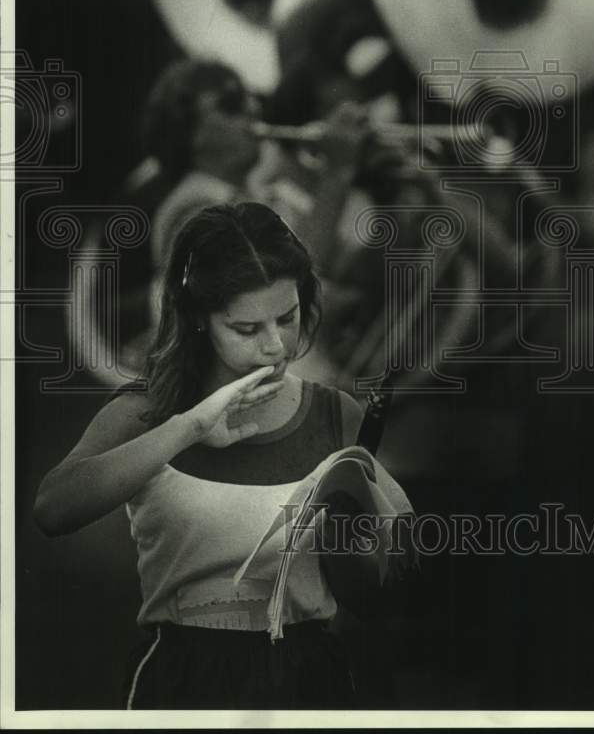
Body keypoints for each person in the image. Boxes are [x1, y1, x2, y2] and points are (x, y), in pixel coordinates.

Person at [34, 202, 414, 709]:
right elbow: (53, 510)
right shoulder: (145, 412)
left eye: (287, 318)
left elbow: (379, 596)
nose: (276, 347)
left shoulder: (335, 414)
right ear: (199, 319)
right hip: (181, 679)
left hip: (307, 680)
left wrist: (357, 535)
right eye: (247, 329)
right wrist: (188, 427)